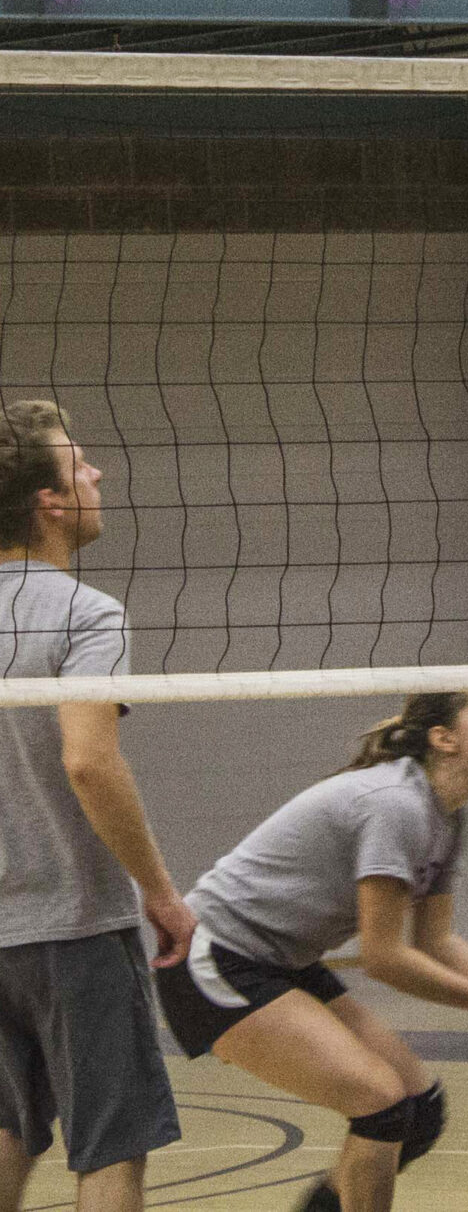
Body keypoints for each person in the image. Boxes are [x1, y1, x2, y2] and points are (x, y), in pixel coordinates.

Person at [154, 690, 468, 1212]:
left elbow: (436, 941)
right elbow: (384, 957)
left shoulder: (445, 814)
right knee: (381, 1105)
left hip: (282, 960)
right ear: (444, 739)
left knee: (417, 1112)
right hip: (216, 959)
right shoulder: (394, 805)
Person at [0, 402, 189, 1212]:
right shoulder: (86, 613)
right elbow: (88, 759)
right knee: (112, 1144)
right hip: (74, 926)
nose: (97, 474)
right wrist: (159, 889)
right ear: (48, 500)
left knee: (5, 1133)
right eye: (80, 466)